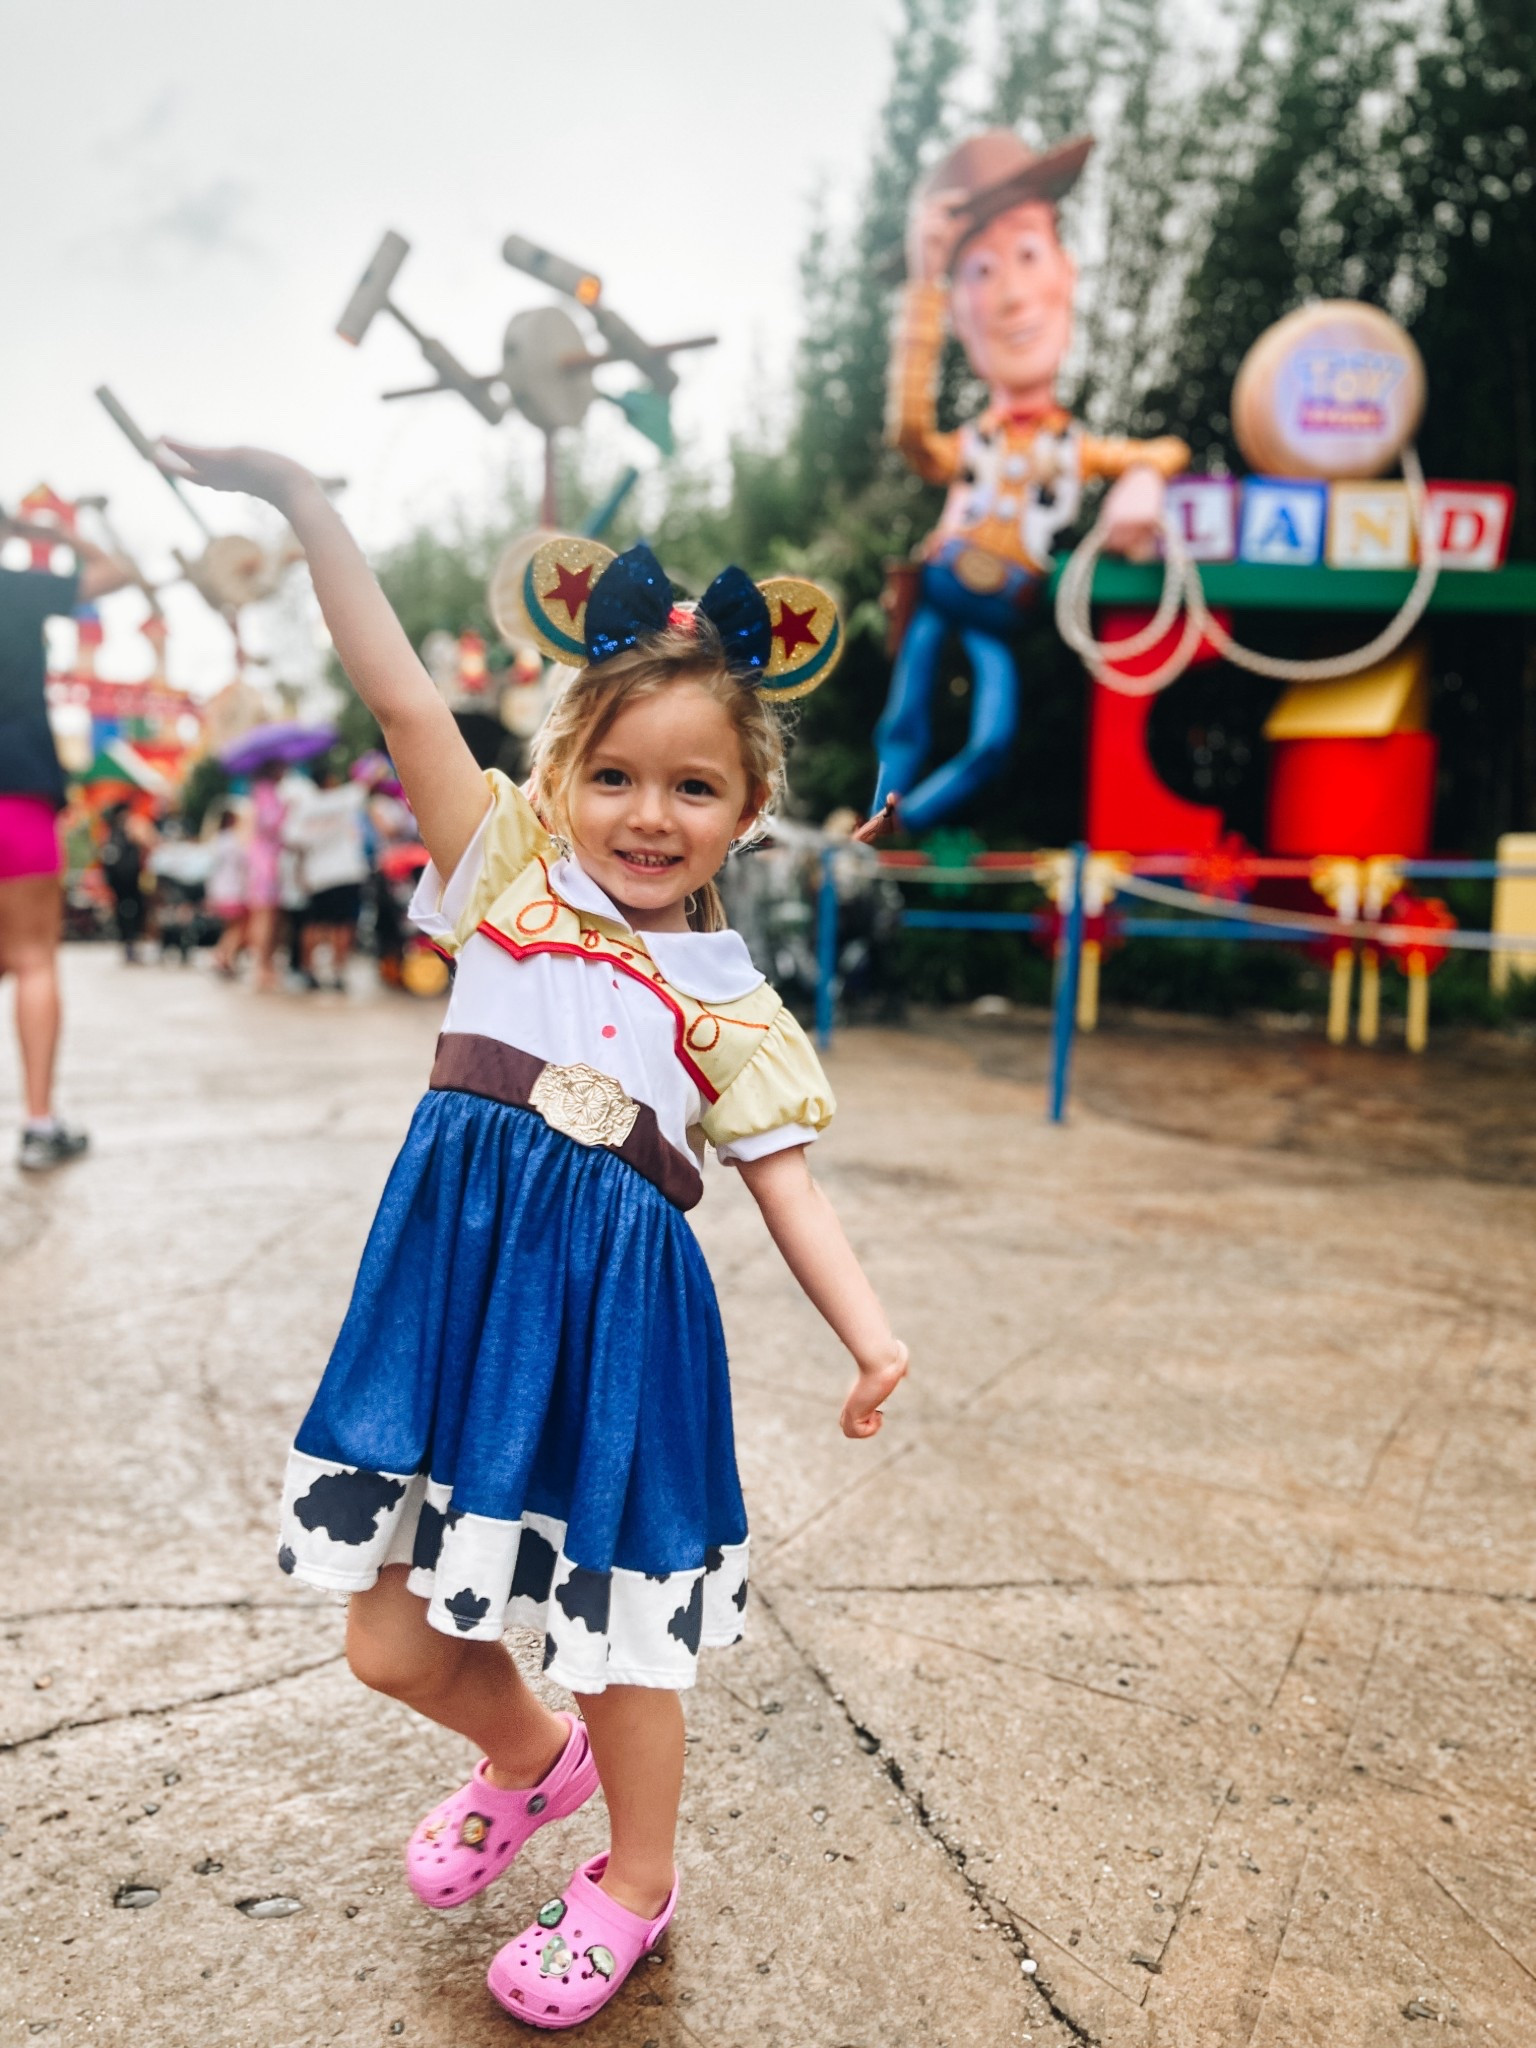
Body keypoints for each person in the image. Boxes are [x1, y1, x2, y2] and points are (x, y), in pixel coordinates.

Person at [158, 437, 908, 2029]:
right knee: (389, 1638)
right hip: (452, 1303)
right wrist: (310, 507)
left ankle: (636, 1879)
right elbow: (406, 700)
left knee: (624, 1639)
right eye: (618, 777)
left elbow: (788, 1184)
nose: (650, 815)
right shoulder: (501, 877)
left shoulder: (735, 1006)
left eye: (694, 786)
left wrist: (870, 1332)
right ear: (563, 776)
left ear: (747, 808)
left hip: (622, 1330)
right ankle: (527, 1761)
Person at [872, 130, 1190, 830]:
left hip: (1002, 602)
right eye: (981, 272)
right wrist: (923, 286)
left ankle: (903, 824)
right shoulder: (976, 439)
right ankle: (874, 817)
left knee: (994, 738)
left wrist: (1142, 485)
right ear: (958, 309)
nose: (1013, 296)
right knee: (906, 713)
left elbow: (1165, 449)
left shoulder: (1075, 446)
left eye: (1026, 255)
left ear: (1065, 273)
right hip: (947, 582)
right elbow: (912, 436)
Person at [0, 505, 132, 1170]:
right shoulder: (18, 588)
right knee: (31, 958)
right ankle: (39, 1123)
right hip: (16, 786)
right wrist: (47, 536)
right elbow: (117, 571)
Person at [285, 759, 369, 991]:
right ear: (330, 780)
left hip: (318, 876)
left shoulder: (304, 808)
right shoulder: (344, 797)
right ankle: (338, 972)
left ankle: (309, 971)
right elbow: (365, 784)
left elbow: (291, 840)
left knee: (314, 924)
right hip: (346, 871)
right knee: (343, 924)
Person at [205, 804, 250, 975]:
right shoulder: (234, 842)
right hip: (234, 890)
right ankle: (224, 956)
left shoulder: (215, 841)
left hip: (218, 890)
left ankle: (223, 956)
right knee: (237, 928)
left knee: (229, 927)